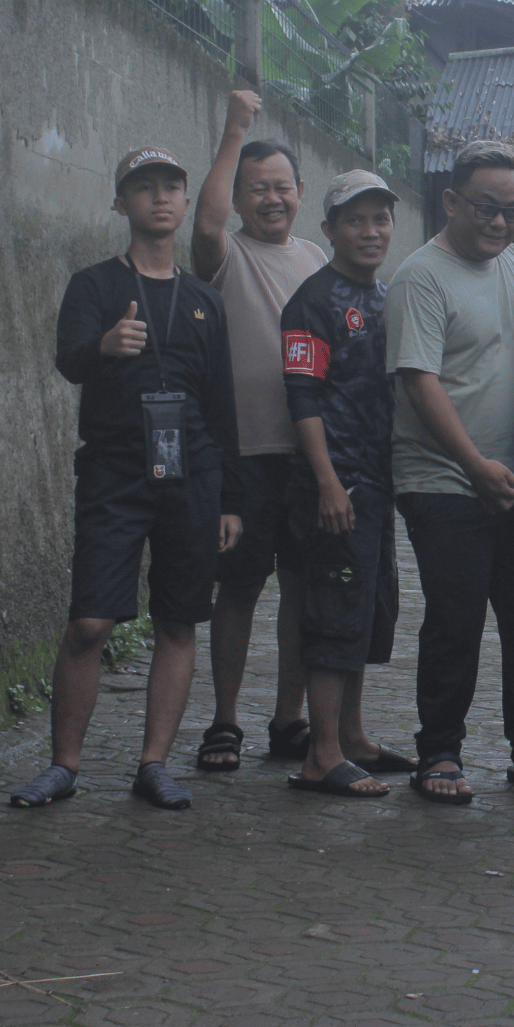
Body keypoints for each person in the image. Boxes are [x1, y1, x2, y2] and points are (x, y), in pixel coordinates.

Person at [10, 148, 243, 811]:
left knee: (178, 620)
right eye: (144, 188)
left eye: (171, 186)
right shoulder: (93, 286)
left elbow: (222, 406)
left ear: (185, 202)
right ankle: (64, 765)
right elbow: (68, 361)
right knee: (89, 621)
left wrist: (230, 498)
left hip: (191, 477)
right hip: (113, 472)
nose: (160, 198)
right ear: (121, 203)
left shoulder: (204, 300)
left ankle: (154, 763)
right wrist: (103, 347)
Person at [389, 140, 514, 805]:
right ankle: (439, 751)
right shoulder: (421, 276)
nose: (500, 222)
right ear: (451, 201)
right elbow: (419, 380)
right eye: (486, 208)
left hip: (512, 478)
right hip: (444, 479)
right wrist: (473, 465)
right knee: (457, 619)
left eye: (513, 210)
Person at [188, 91, 330, 773]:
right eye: (257, 189)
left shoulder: (319, 260)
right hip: (242, 455)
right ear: (241, 198)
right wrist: (233, 130)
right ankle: (224, 720)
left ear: (301, 192)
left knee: (301, 587)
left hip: (307, 455)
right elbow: (206, 220)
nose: (272, 199)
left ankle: (288, 718)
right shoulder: (225, 255)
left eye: (282, 187)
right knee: (239, 588)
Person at [279, 171, 413, 798]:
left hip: (376, 486)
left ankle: (353, 738)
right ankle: (321, 755)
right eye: (355, 220)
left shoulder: (386, 296)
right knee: (333, 613)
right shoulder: (311, 301)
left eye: (380, 219)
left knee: (365, 611)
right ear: (329, 229)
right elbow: (301, 397)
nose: (370, 231)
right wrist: (328, 483)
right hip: (333, 488)